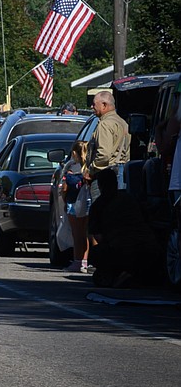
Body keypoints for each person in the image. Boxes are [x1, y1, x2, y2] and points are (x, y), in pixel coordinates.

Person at [83, 89, 130, 237]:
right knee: (118, 217)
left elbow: (103, 155)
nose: (92, 107)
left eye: (94, 104)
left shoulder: (104, 125)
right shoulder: (122, 123)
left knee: (101, 219)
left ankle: (102, 255)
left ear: (104, 105)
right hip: (121, 172)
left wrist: (90, 171)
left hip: (105, 174)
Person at [62, 139, 90, 273]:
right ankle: (85, 261)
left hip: (73, 202)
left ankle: (77, 261)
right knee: (86, 233)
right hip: (87, 200)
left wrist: (63, 198)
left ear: (74, 153)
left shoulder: (72, 167)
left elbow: (65, 188)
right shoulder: (89, 167)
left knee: (77, 234)